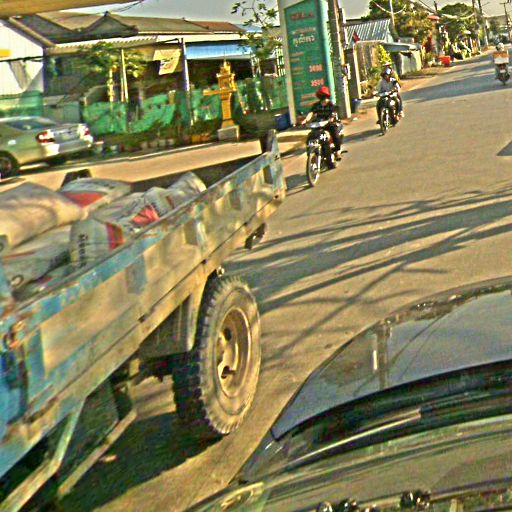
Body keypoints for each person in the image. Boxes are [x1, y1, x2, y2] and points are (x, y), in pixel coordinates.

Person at [301, 86, 344, 164]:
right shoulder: (316, 105)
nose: (324, 99)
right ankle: (313, 153)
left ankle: (337, 151)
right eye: (322, 97)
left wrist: (331, 119)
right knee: (311, 137)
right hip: (319, 125)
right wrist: (305, 120)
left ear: (328, 97)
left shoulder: (331, 105)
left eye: (325, 97)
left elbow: (333, 114)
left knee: (336, 136)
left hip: (330, 125)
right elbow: (311, 113)